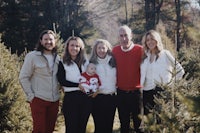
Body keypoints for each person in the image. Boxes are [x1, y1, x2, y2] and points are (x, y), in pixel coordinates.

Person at [19, 30, 60, 133]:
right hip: (38, 99)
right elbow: (23, 77)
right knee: (39, 130)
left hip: (54, 101)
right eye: (45, 39)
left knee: (49, 130)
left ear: (55, 41)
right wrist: (31, 96)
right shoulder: (32, 56)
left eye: (51, 39)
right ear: (41, 41)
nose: (48, 42)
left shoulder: (58, 58)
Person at [140, 30, 185, 116]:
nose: (150, 42)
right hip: (147, 92)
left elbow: (180, 71)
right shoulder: (145, 56)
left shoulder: (165, 54)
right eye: (148, 40)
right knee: (148, 121)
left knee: (160, 120)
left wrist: (170, 85)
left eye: (152, 39)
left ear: (157, 40)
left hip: (161, 92)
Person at [112, 25, 143, 133]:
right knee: (124, 124)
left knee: (138, 124)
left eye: (126, 35)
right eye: (121, 36)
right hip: (121, 93)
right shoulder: (115, 51)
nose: (124, 38)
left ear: (131, 36)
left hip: (136, 93)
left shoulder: (140, 50)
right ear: (118, 37)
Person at [57, 36, 91, 133]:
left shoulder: (85, 62)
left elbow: (91, 77)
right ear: (67, 46)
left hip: (85, 99)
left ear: (81, 48)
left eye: (77, 46)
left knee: (82, 128)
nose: (74, 48)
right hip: (71, 99)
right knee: (71, 128)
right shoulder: (62, 62)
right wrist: (77, 85)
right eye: (72, 45)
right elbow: (62, 80)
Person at [89, 39, 117, 133]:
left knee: (109, 126)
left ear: (108, 49)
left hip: (111, 98)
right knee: (99, 126)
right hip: (97, 98)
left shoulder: (113, 62)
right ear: (95, 50)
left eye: (103, 48)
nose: (101, 50)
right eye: (99, 48)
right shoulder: (91, 63)